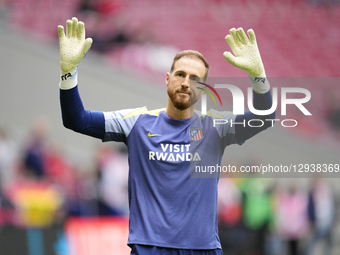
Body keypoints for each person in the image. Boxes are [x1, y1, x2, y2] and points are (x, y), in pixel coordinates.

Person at [58, 17, 275, 255]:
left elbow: (265, 117)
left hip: (202, 250)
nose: (185, 82)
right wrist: (69, 72)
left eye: (195, 79)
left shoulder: (216, 128)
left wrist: (258, 75)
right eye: (180, 74)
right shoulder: (137, 123)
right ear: (167, 79)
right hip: (150, 249)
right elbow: (76, 119)